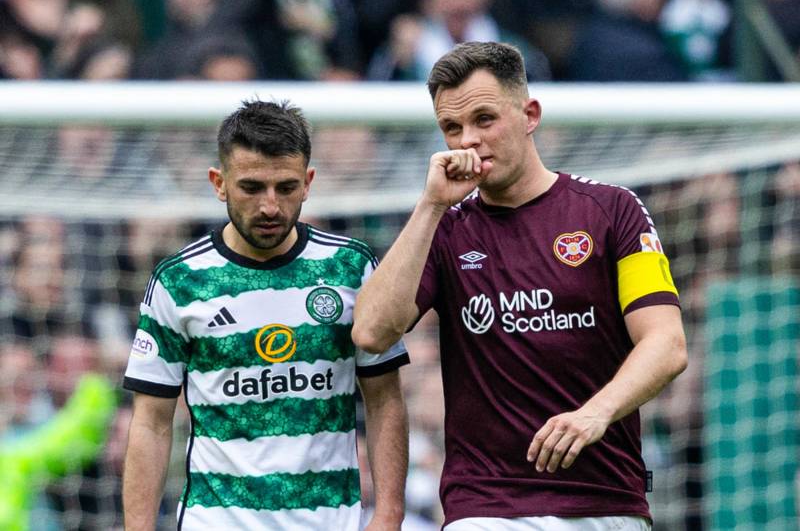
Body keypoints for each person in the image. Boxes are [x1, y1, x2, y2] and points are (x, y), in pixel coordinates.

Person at [352, 41, 688, 530]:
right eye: (452, 128)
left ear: (530, 115)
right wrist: (431, 206)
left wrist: (596, 413)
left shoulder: (613, 210)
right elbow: (371, 333)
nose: (468, 140)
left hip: (603, 501)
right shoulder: (445, 229)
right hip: (487, 508)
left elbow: (667, 343)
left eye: (484, 119)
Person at [122, 100, 409, 530]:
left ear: (308, 183)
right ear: (219, 183)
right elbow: (151, 422)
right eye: (252, 188)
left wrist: (388, 513)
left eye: (286, 187)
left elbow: (385, 398)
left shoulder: (351, 268)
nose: (270, 206)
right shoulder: (179, 281)